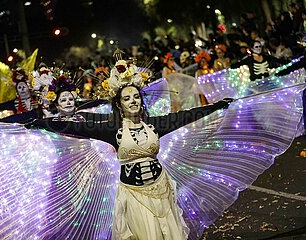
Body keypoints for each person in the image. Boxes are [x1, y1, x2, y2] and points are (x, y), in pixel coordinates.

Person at [31, 59, 233, 239]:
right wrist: (41, 123)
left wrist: (217, 106)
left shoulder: (155, 124)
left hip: (163, 192)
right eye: (127, 99)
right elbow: (75, 126)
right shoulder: (111, 129)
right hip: (134, 196)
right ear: (119, 105)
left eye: (136, 97)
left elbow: (186, 116)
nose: (133, 101)